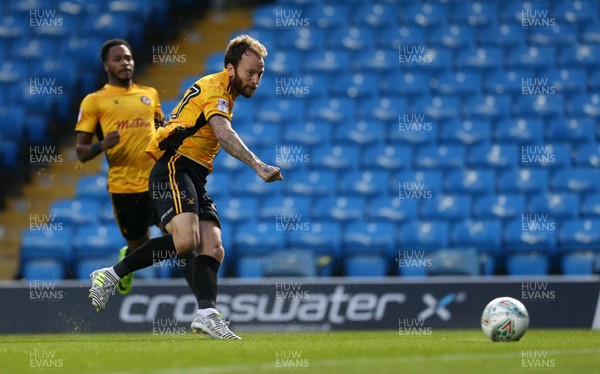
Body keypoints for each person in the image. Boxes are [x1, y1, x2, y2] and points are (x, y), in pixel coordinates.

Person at [88, 35, 283, 339]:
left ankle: (206, 314)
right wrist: (258, 165)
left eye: (260, 74)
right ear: (230, 69)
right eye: (251, 72)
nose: (256, 80)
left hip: (194, 174)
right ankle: (111, 274)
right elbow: (221, 131)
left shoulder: (225, 92)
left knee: (214, 246)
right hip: (174, 166)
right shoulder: (215, 88)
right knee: (185, 241)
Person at [75, 39, 195, 295]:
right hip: (124, 187)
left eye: (128, 58)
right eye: (118, 59)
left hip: (158, 182)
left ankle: (205, 304)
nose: (125, 63)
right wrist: (102, 145)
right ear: (106, 64)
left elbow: (161, 129)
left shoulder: (149, 94)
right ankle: (125, 264)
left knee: (181, 239)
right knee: (140, 243)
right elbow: (81, 152)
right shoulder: (94, 101)